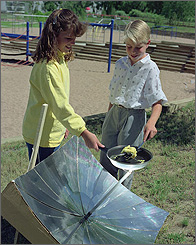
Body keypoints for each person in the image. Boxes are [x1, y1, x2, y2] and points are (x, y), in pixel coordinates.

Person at [22, 9, 104, 165]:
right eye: (68, 38)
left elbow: (57, 99)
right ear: (53, 36)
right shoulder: (48, 68)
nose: (72, 43)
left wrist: (63, 125)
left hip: (52, 132)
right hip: (42, 136)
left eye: (74, 39)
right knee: (45, 184)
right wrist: (84, 133)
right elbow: (60, 106)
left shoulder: (60, 59)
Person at [100, 20, 168, 189]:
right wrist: (109, 115)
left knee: (125, 161)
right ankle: (104, 195)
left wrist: (151, 123)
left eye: (138, 47)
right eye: (128, 46)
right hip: (114, 113)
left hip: (133, 118)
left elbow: (157, 101)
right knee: (106, 157)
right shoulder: (120, 64)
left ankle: (122, 198)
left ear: (148, 43)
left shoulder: (150, 68)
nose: (133, 51)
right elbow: (113, 94)